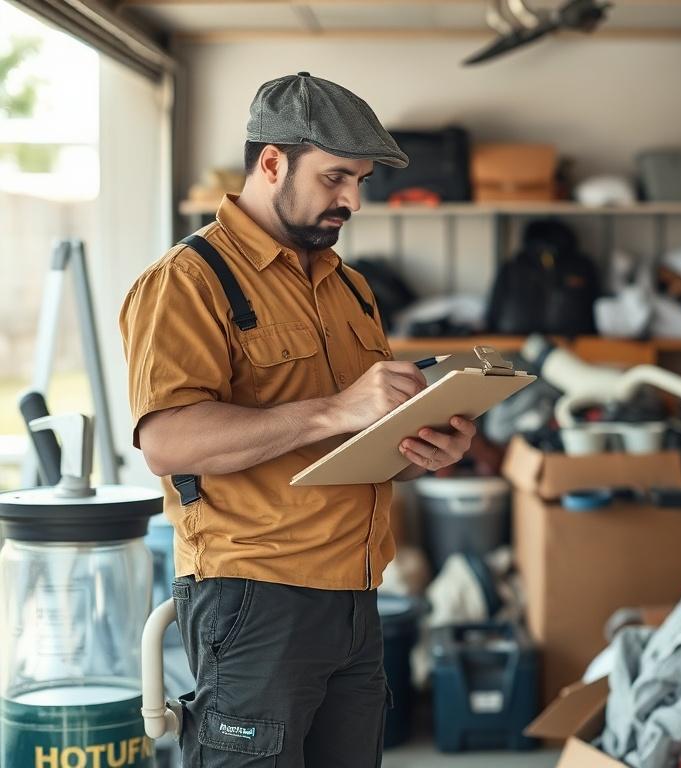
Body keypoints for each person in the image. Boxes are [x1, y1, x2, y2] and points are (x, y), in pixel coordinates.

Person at [120, 72, 475, 767]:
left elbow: (352, 433)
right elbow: (167, 441)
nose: (353, 199)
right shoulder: (189, 280)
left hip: (357, 597)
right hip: (256, 599)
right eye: (336, 177)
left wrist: (424, 445)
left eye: (362, 180)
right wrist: (337, 408)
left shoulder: (349, 287)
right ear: (273, 161)